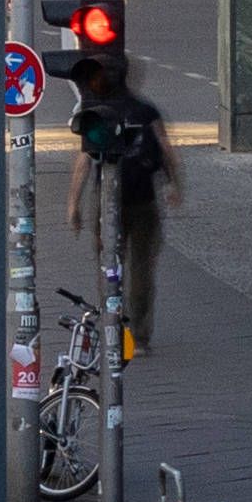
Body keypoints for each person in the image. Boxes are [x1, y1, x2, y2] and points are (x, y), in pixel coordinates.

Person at [77, 82, 181, 356]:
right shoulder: (145, 110)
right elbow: (166, 149)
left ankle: (113, 327)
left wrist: (73, 205)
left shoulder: (96, 112)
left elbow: (84, 161)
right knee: (142, 269)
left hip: (107, 203)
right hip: (143, 199)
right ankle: (140, 337)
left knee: (109, 266)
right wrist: (174, 184)